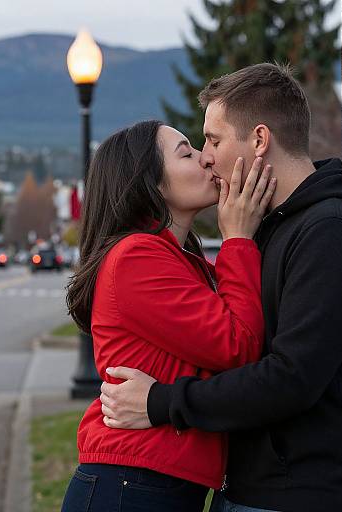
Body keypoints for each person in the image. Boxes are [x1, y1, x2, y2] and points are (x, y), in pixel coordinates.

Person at [99, 63, 342, 512]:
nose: (206, 156)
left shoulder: (335, 231)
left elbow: (289, 377)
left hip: (302, 494)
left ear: (259, 140)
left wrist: (161, 401)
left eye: (214, 140)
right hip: (247, 488)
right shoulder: (267, 228)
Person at [61, 119, 277, 512]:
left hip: (154, 484)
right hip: (131, 486)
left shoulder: (180, 261)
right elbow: (239, 344)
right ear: (152, 185)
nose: (207, 158)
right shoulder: (135, 258)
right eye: (187, 153)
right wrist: (238, 239)